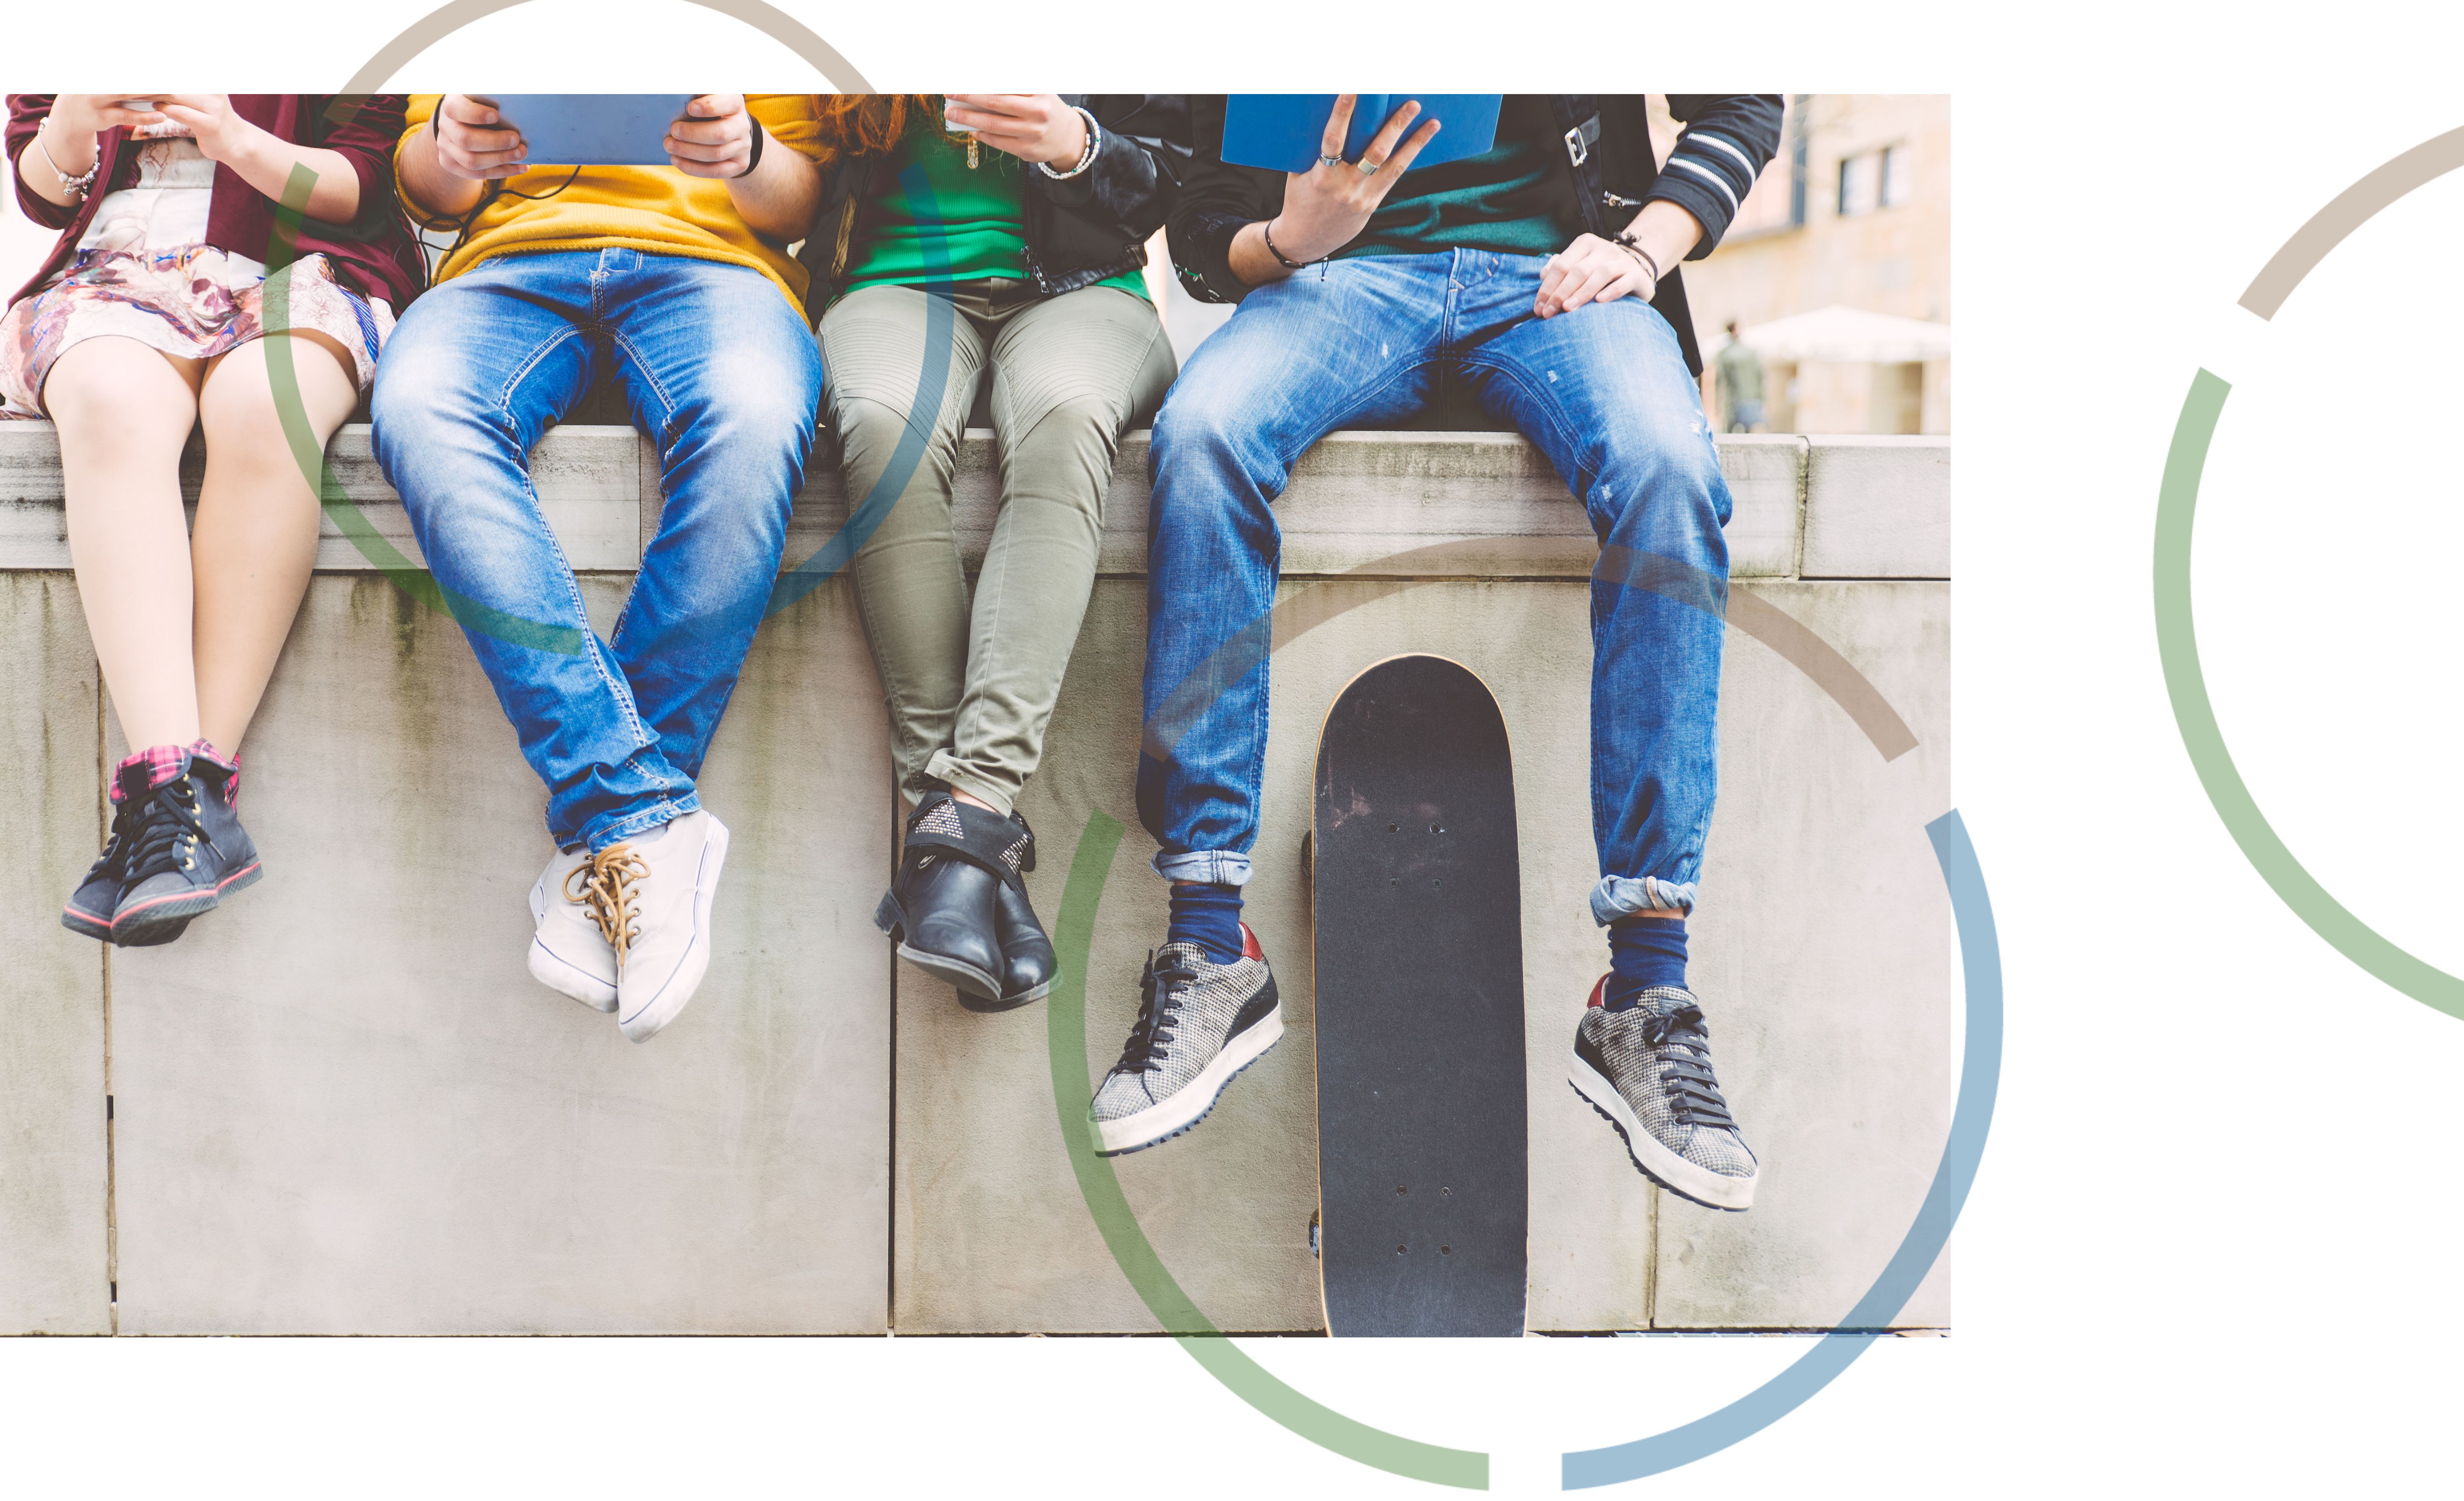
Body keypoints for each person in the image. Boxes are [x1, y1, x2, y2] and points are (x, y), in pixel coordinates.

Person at [1094, 94, 1784, 1214]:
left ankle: (1645, 994)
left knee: (1667, 472)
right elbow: (1198, 212)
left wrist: (1642, 245)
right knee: (1202, 436)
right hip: (1338, 281)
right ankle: (1210, 942)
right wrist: (1286, 236)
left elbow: (1743, 100)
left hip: (1559, 284)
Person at [369, 93, 823, 1043]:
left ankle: (612, 836)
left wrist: (744, 154)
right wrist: (453, 145)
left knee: (750, 428)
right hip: (507, 264)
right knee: (420, 411)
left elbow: (804, 207)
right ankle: (640, 815)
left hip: (722, 270)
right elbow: (425, 188)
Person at [0, 94, 420, 949]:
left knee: (268, 404)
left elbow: (365, 181)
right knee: (107, 403)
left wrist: (231, 136)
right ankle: (182, 809)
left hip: (303, 266)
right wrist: (75, 115)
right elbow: (41, 185)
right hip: (115, 273)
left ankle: (172, 811)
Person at [804, 95, 1183, 1013]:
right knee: (884, 427)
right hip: (894, 285)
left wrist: (1075, 146)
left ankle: (961, 814)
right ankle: (971, 846)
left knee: (1064, 419)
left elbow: (1183, 180)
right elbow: (791, 170)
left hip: (1086, 290)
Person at [1713, 318, 1767, 433]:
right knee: (1749, 435)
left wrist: (1718, 406)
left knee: (1729, 434)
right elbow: (1761, 378)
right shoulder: (1752, 353)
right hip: (1751, 401)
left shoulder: (1724, 354)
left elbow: (1719, 381)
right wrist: (1763, 401)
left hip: (1734, 403)